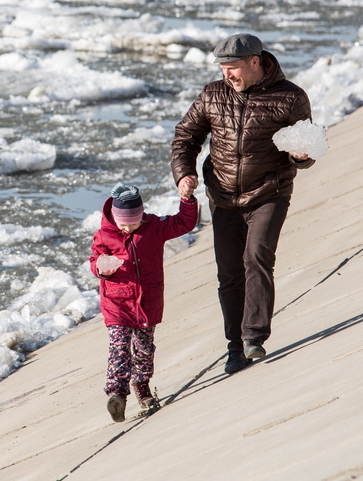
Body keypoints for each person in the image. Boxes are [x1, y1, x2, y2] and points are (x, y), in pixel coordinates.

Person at [171, 33, 316, 376]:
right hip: (222, 197)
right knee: (229, 274)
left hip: (269, 192)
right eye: (223, 68)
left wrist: (300, 156)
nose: (227, 75)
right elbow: (186, 136)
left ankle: (253, 336)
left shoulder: (291, 97)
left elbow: (307, 150)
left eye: (232, 68)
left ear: (255, 61)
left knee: (257, 257)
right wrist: (184, 174)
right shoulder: (212, 94)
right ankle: (234, 348)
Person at [89, 180, 198, 422]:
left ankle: (142, 386)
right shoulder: (105, 235)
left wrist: (187, 199)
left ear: (142, 216)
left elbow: (184, 222)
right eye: (123, 224)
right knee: (119, 347)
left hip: (147, 302)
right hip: (117, 304)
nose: (127, 229)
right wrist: (100, 268)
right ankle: (116, 394)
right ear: (114, 218)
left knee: (144, 349)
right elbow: (94, 260)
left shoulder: (154, 227)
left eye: (133, 223)